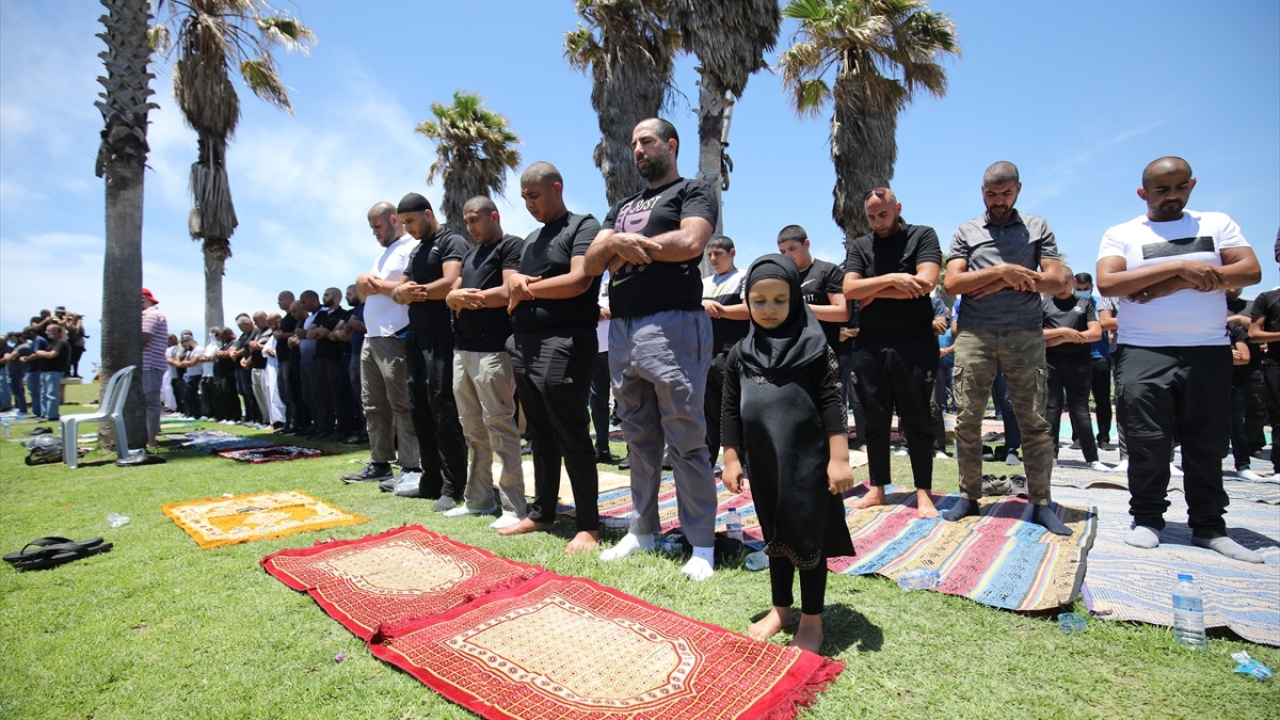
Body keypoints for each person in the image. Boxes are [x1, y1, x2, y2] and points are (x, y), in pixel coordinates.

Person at [1097, 156, 1263, 562]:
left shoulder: (1216, 224)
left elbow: (1251, 271)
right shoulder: (1123, 233)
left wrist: (1168, 283)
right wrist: (1182, 266)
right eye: (1161, 190)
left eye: (1180, 187)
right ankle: (1148, 519)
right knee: (1147, 441)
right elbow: (1110, 282)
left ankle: (1209, 527)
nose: (1172, 196)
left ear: (1192, 185)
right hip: (1143, 349)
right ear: (1143, 193)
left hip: (1207, 348)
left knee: (1206, 442)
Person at [584, 117, 720, 580]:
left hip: (673, 326)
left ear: (670, 144)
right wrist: (612, 246)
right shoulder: (621, 206)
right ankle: (642, 531)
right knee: (637, 439)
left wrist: (622, 248)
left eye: (646, 141)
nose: (637, 149)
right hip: (621, 330)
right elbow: (589, 262)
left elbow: (690, 242)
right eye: (634, 143)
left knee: (685, 437)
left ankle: (701, 542)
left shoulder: (693, 191)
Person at [721, 255, 855, 653]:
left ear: (795, 300)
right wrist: (731, 458)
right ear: (747, 301)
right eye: (759, 300)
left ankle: (812, 620)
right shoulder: (739, 355)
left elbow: (834, 403)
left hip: (808, 461)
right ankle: (781, 609)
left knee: (806, 535)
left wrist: (839, 457)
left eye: (780, 300)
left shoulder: (814, 348)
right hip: (764, 462)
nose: (769, 309)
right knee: (775, 534)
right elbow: (730, 410)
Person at [943, 161, 1071, 535]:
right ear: (982, 191)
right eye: (990, 194)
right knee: (968, 419)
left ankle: (1041, 503)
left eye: (1005, 194)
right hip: (974, 336)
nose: (998, 201)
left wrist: (989, 283)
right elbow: (953, 284)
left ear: (1018, 190)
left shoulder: (1037, 227)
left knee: (1034, 420)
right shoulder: (967, 230)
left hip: (1025, 335)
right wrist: (1003, 274)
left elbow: (1055, 281)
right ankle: (968, 497)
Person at [502, 167, 603, 553]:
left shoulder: (582, 226)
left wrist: (524, 287)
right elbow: (510, 291)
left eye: (535, 196)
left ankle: (589, 525)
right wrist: (466, 296)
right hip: (524, 343)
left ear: (556, 188)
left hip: (565, 341)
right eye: (524, 198)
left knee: (571, 431)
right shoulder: (529, 240)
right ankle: (542, 512)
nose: (529, 204)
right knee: (539, 433)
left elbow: (579, 280)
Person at [842, 188, 943, 517]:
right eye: (871, 217)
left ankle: (923, 492)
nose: (877, 222)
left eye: (883, 214)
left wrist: (873, 291)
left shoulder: (922, 236)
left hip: (914, 341)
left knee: (917, 418)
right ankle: (877, 488)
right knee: (874, 419)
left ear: (897, 208)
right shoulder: (861, 245)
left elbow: (926, 283)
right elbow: (850, 290)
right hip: (871, 343)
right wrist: (896, 280)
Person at [434, 196, 526, 525]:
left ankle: (514, 506)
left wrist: (462, 298)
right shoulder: (472, 253)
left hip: (494, 351)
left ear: (494, 216)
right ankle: (479, 500)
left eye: (475, 220)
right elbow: (452, 290)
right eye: (466, 221)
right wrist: (451, 296)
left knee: (500, 426)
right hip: (463, 351)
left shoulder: (511, 247)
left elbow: (509, 292)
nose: (470, 227)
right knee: (472, 429)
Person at [392, 192, 469, 508]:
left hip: (443, 335)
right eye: (404, 223)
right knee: (419, 408)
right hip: (415, 337)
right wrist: (402, 292)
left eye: (410, 221)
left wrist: (413, 293)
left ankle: (454, 486)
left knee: (443, 408)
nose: (407, 228)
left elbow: (450, 283)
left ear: (427, 213)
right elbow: (400, 291)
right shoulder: (417, 250)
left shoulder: (450, 241)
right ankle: (431, 480)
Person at [345, 203, 420, 484]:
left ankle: (412, 466)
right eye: (372, 228)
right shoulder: (382, 255)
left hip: (395, 334)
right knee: (373, 405)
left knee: (401, 403)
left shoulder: (410, 247)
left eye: (377, 226)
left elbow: (405, 291)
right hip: (372, 335)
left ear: (393, 219)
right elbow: (365, 296)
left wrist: (371, 284)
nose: (375, 233)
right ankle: (379, 463)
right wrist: (363, 281)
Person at [1041, 265, 1107, 471]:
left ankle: (1092, 457)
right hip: (1050, 361)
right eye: (1057, 283)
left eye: (1066, 283)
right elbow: (1035, 334)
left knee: (1080, 410)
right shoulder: (1045, 305)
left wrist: (1058, 338)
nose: (1061, 287)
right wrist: (1064, 333)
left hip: (1079, 362)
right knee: (1052, 408)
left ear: (1073, 283)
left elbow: (1096, 333)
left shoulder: (1084, 303)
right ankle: (1051, 455)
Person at [700, 235, 748, 463]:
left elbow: (750, 310)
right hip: (706, 355)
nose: (712, 259)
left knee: (737, 411)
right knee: (708, 413)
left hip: (734, 354)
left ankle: (743, 462)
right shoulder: (705, 283)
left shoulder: (743, 277)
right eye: (709, 254)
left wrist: (717, 309)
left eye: (718, 253)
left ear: (732, 253)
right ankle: (708, 462)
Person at [1072, 273, 1114, 449]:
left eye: (1085, 289)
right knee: (1078, 400)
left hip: (1100, 357)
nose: (1082, 292)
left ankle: (1103, 438)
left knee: (1102, 400)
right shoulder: (1070, 306)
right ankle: (1078, 438)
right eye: (1079, 289)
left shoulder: (1100, 306)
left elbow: (1108, 325)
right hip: (1077, 357)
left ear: (1092, 287)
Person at [140, 287, 168, 446]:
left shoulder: (151, 315)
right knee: (149, 402)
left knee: (150, 402)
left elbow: (144, 338)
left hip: (149, 363)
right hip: (149, 364)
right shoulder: (151, 314)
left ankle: (150, 439)